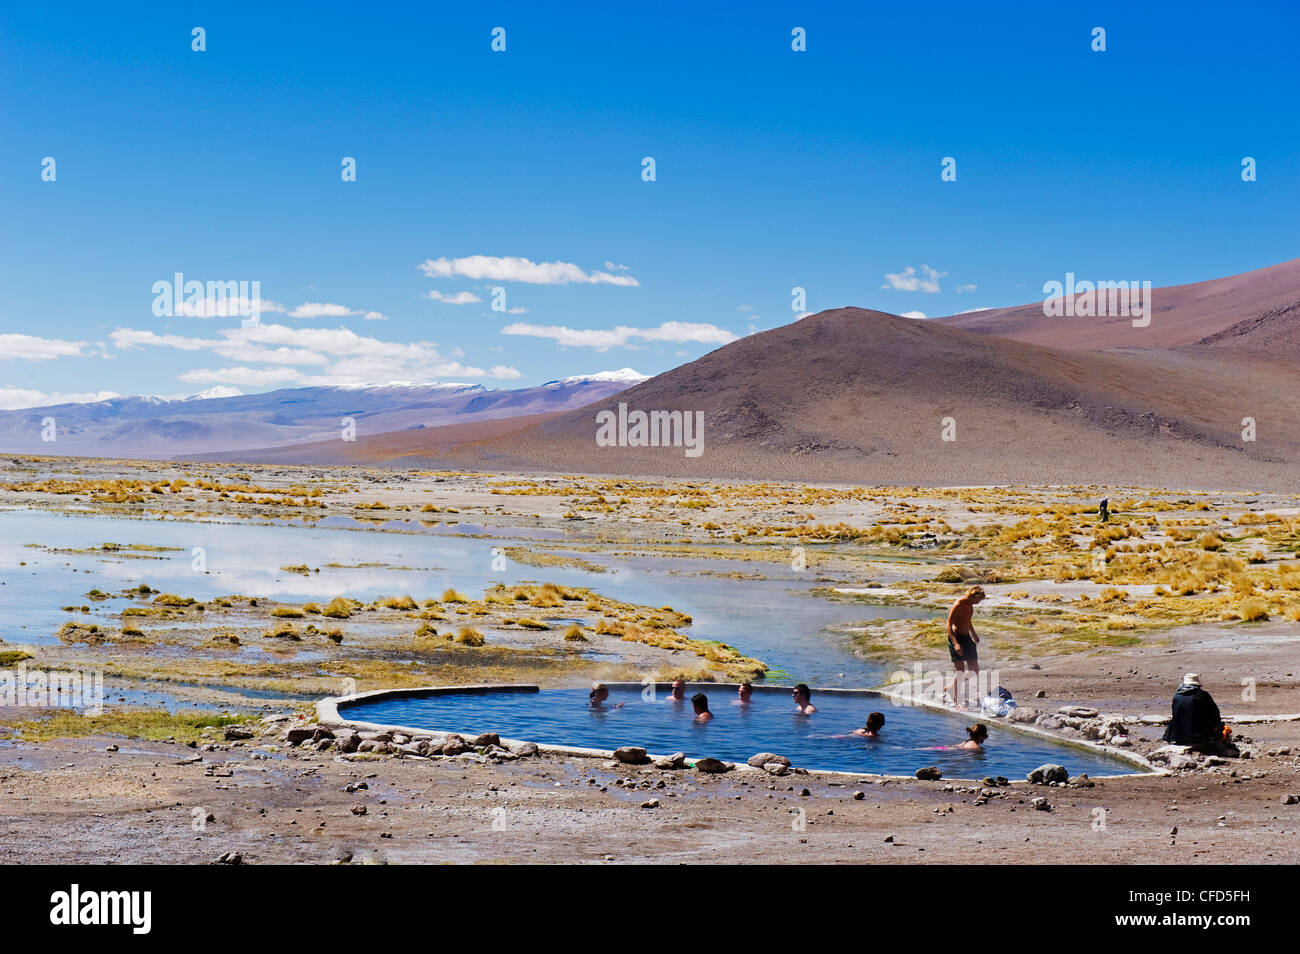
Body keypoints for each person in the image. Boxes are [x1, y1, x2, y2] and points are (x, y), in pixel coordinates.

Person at [1162, 674, 1229, 749]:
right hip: (1199, 739)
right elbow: (1215, 715)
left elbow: (1175, 715)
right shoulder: (1203, 695)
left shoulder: (1177, 696)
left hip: (1178, 738)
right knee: (1219, 726)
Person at [944, 585, 985, 706]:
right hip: (956, 638)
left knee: (975, 670)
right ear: (973, 597)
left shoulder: (970, 606)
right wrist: (955, 643)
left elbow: (968, 620)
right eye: (978, 600)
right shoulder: (959, 604)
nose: (979, 602)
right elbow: (949, 624)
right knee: (960, 671)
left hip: (967, 638)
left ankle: (951, 687)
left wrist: (974, 634)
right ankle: (957, 702)